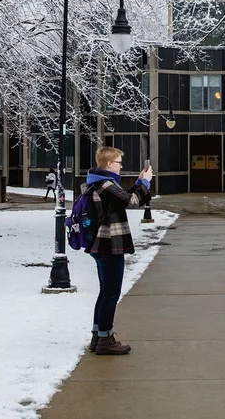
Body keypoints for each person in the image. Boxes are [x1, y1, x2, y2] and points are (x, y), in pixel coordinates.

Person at [82, 146, 152, 355]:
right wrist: (146, 182)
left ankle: (98, 336)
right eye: (120, 163)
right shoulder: (105, 184)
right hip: (109, 244)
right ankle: (105, 338)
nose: (122, 166)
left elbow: (122, 199)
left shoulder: (100, 183)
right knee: (111, 294)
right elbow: (132, 201)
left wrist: (139, 183)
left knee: (105, 292)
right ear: (110, 164)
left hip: (102, 244)